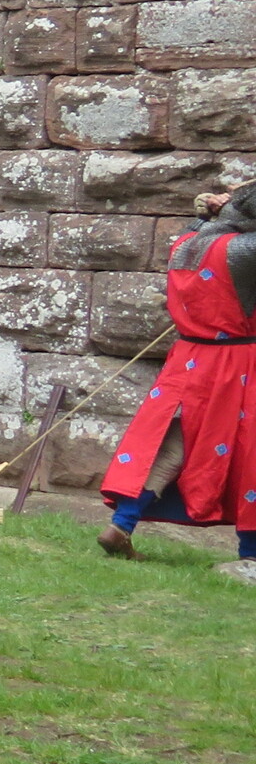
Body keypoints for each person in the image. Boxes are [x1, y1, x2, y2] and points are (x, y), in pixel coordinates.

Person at [100, 181, 256, 564]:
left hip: (188, 360)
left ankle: (122, 524)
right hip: (237, 366)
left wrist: (215, 210)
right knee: (250, 453)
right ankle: (251, 554)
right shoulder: (244, 251)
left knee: (171, 446)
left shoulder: (187, 241)